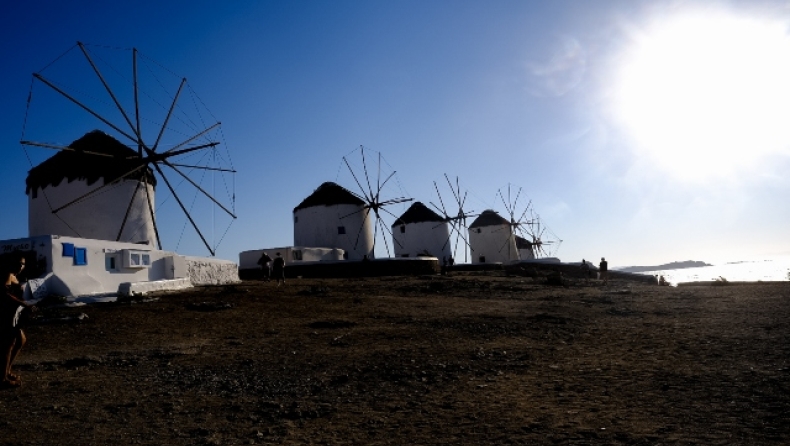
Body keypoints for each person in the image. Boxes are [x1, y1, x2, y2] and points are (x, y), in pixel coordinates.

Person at [2, 253, 34, 388]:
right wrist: (23, 303)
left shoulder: (13, 276)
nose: (21, 266)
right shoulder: (6, 275)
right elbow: (4, 294)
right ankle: (2, 377)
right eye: (19, 263)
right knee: (8, 345)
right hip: (4, 314)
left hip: (12, 314)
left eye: (23, 264)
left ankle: (6, 371)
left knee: (20, 340)